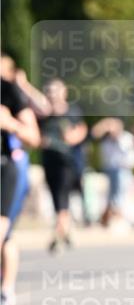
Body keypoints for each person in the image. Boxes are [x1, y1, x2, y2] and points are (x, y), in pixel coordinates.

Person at [1, 60, 40, 305]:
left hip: (5, 170)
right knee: (6, 241)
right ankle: (7, 290)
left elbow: (33, 137)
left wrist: (10, 124)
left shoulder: (9, 91)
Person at [39, 79, 88, 253]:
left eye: (56, 91)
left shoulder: (72, 111)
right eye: (49, 91)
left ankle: (57, 235)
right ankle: (66, 231)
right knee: (57, 199)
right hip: (49, 161)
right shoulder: (43, 115)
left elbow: (80, 132)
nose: (52, 95)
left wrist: (70, 136)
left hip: (67, 162)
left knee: (62, 197)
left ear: (64, 92)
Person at [92, 117, 134, 228]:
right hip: (110, 170)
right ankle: (109, 219)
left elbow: (131, 154)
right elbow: (94, 134)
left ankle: (119, 219)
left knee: (120, 195)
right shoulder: (106, 141)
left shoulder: (126, 138)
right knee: (110, 196)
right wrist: (103, 126)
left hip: (123, 170)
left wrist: (117, 137)